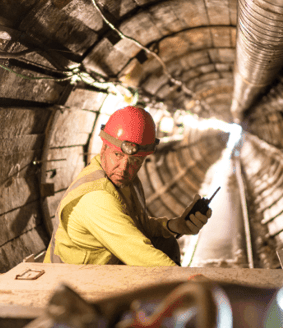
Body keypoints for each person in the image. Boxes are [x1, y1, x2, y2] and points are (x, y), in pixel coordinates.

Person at [44, 106, 212, 266]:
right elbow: (142, 255)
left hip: (94, 274)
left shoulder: (124, 181)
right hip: (67, 284)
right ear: (103, 148)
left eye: (135, 161)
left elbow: (137, 225)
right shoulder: (96, 198)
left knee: (165, 242)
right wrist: (192, 283)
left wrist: (173, 226)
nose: (124, 167)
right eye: (118, 155)